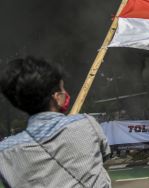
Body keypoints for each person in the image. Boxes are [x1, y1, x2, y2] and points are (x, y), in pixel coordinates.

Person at [0, 57, 111, 188]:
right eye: (62, 89)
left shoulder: (5, 153)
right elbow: (104, 156)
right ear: (57, 97)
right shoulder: (87, 124)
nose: (66, 93)